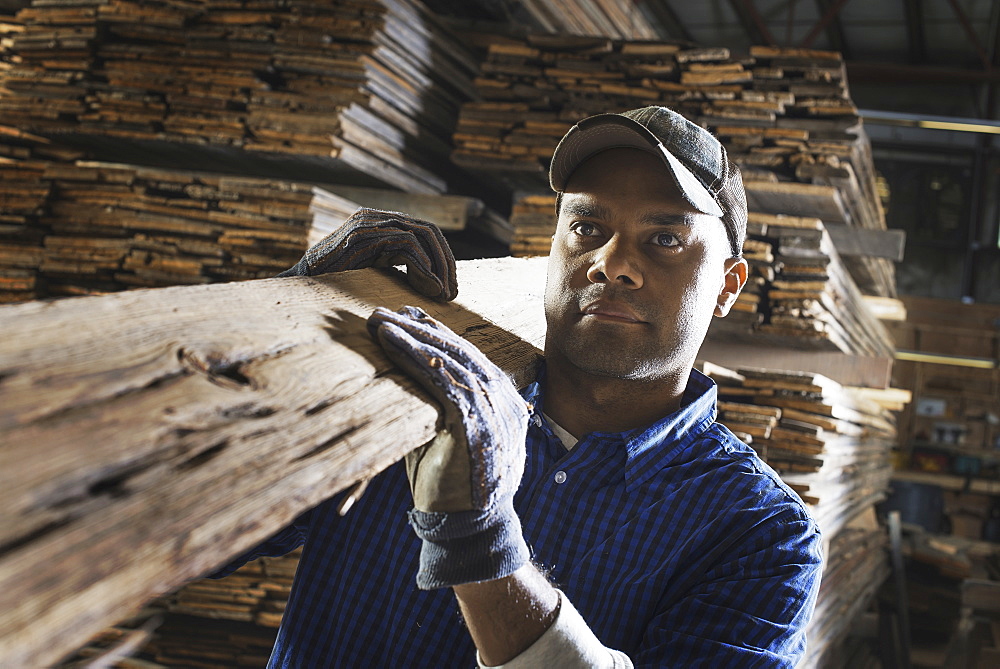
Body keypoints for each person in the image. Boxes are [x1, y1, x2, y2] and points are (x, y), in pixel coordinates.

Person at [214, 105, 824, 668]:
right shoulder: (410, 392)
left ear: (727, 285)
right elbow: (208, 535)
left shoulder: (759, 534)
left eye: (665, 238)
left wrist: (481, 545)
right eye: (587, 227)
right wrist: (289, 336)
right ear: (551, 248)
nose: (612, 264)